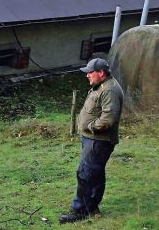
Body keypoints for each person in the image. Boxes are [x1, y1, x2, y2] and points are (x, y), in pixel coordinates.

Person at [59, 58, 124, 223]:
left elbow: (108, 119)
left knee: (85, 174)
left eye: (90, 72)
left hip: (98, 141)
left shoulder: (109, 90)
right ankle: (92, 206)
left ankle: (79, 211)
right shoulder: (101, 86)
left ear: (101, 73)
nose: (87, 75)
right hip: (93, 140)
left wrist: (89, 126)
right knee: (95, 173)